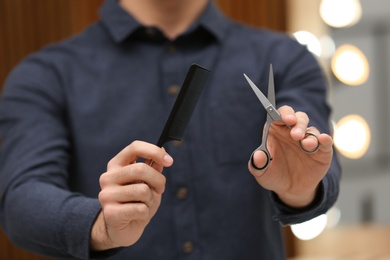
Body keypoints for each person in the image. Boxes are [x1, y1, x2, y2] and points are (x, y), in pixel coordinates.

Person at [0, 0, 341, 259]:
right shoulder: (44, 76)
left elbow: (316, 157)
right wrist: (101, 226)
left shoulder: (287, 57)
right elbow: (20, 200)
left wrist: (300, 190)